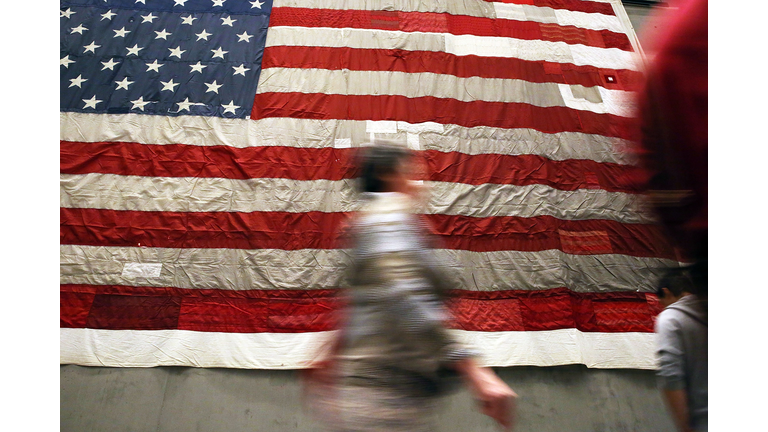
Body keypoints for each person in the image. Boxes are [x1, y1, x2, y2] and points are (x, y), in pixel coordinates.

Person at [303, 141, 517, 432]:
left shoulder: (375, 222)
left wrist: (331, 356)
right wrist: (474, 371)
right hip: (386, 390)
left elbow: (360, 303)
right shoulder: (387, 220)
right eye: (412, 171)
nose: (420, 182)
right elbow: (402, 296)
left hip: (382, 387)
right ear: (387, 174)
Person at [654, 268, 707, 432]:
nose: (664, 307)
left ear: (666, 292)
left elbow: (671, 375)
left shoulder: (671, 318)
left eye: (662, 303)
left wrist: (685, 427)